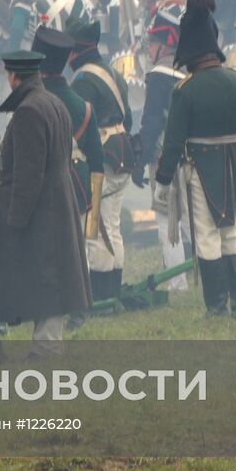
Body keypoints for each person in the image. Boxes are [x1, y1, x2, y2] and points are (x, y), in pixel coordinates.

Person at [153, 0, 236, 318]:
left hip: (202, 169)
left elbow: (172, 143)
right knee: (232, 233)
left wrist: (162, 180)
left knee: (208, 237)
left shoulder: (186, 90)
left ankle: (217, 307)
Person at [0, 49, 90, 348]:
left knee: (47, 277)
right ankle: (48, 342)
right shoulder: (53, 102)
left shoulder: (28, 112)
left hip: (40, 209)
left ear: (13, 76)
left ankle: (46, 347)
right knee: (52, 274)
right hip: (56, 200)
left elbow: (28, 172)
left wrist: (16, 220)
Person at [32, 27, 108, 297]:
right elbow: (97, 159)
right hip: (80, 182)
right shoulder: (82, 105)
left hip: (47, 182)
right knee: (79, 247)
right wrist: (94, 209)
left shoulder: (33, 103)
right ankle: (81, 300)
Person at [68, 18, 135, 297]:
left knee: (94, 229)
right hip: (120, 151)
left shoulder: (83, 80)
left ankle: (100, 297)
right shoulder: (112, 73)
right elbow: (128, 117)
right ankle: (112, 291)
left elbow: (76, 122)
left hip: (101, 156)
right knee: (111, 225)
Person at [137, 2, 189, 290]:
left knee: (167, 224)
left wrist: (139, 156)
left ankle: (177, 284)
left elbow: (152, 123)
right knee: (195, 224)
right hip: (194, 156)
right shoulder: (193, 69)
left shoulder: (159, 74)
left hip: (164, 159)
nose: (149, 46)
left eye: (154, 40)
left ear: (167, 41)